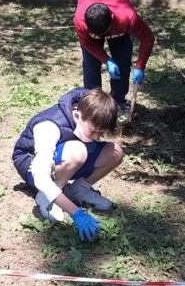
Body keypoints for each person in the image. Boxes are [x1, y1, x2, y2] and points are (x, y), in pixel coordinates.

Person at [12, 87, 123, 241]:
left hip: (64, 157)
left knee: (115, 152)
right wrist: (76, 213)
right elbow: (40, 177)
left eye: (101, 133)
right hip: (31, 164)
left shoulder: (88, 109)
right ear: (77, 115)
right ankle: (46, 197)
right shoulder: (49, 127)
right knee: (77, 151)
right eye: (93, 131)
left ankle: (78, 191)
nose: (97, 137)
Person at [73, 0, 155, 111]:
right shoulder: (80, 22)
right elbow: (87, 43)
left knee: (122, 62)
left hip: (119, 14)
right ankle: (93, 104)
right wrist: (106, 60)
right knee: (91, 64)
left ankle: (118, 102)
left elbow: (148, 38)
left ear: (112, 17)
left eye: (105, 33)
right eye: (96, 35)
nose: (102, 37)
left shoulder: (127, 17)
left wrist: (140, 66)